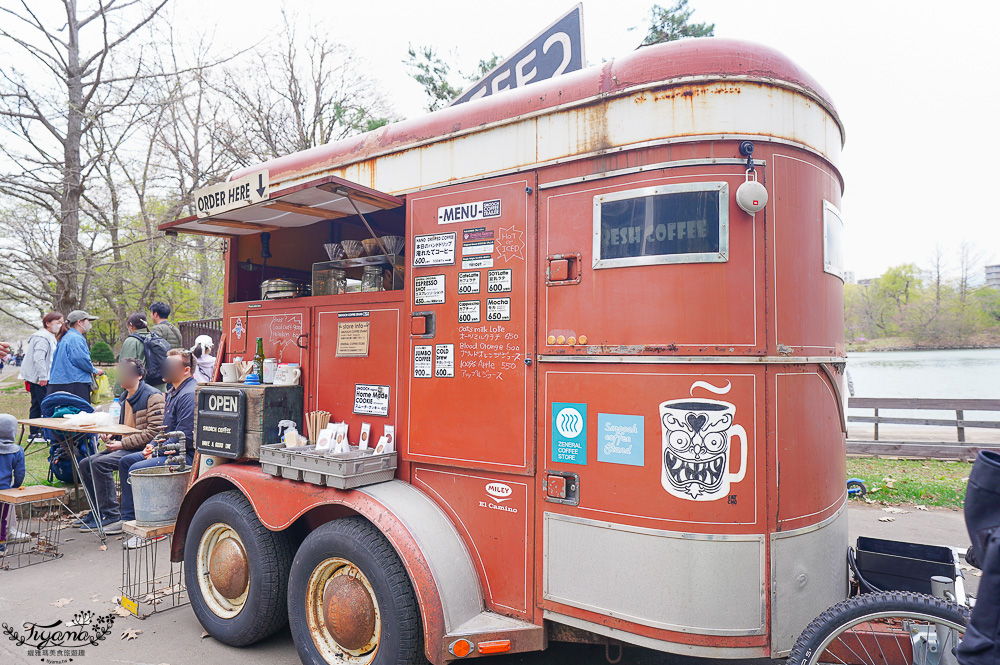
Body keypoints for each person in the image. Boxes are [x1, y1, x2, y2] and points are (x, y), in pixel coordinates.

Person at [75, 358, 165, 535]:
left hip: (140, 449)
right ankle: (97, 512)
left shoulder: (152, 396)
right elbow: (122, 426)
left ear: (139, 376)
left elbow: (155, 432)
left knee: (98, 464)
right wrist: (110, 434)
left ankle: (111, 514)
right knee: (85, 463)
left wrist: (122, 443)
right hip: (125, 446)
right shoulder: (123, 397)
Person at [118, 348, 196, 548]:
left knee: (136, 469)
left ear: (186, 369)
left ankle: (155, 526)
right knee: (126, 462)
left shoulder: (188, 394)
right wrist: (152, 445)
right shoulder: (173, 391)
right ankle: (131, 519)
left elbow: (185, 438)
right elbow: (165, 429)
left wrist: (156, 451)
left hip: (185, 456)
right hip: (168, 449)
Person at [19, 311, 64, 441]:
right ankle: (39, 433)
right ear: (48, 323)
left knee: (37, 404)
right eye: (58, 322)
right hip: (40, 378)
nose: (60, 325)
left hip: (42, 377)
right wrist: (42, 376)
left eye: (62, 322)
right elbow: (39, 358)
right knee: (44, 404)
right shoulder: (42, 337)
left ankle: (36, 433)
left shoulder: (49, 336)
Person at [47, 310, 104, 401]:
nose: (90, 324)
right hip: (73, 384)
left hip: (62, 383)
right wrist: (94, 370)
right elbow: (81, 360)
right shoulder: (75, 339)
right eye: (88, 321)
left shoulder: (67, 336)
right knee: (78, 410)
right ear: (79, 322)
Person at [113, 312, 166, 395]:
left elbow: (125, 368)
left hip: (140, 390)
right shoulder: (155, 338)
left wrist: (118, 393)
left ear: (131, 325)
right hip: (159, 387)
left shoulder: (132, 341)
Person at [0, 413, 28, 548]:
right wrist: (15, 487)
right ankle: (1, 543)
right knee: (1, 518)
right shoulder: (17, 451)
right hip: (4, 492)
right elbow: (20, 473)